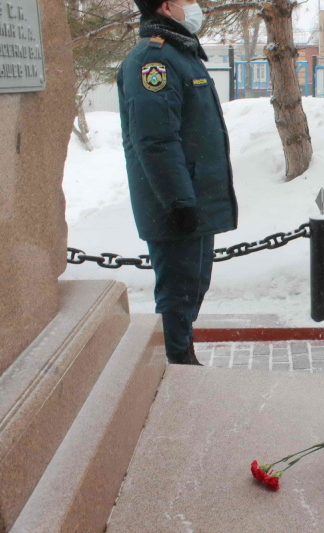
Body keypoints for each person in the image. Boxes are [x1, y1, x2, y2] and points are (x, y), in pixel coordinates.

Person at [117, 0, 237, 365]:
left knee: (192, 287)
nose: (196, 5)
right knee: (178, 293)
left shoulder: (181, 54)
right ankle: (177, 365)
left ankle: (181, 355)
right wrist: (180, 203)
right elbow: (155, 140)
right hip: (176, 203)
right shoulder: (152, 61)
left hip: (195, 198)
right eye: (188, 0)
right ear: (167, 6)